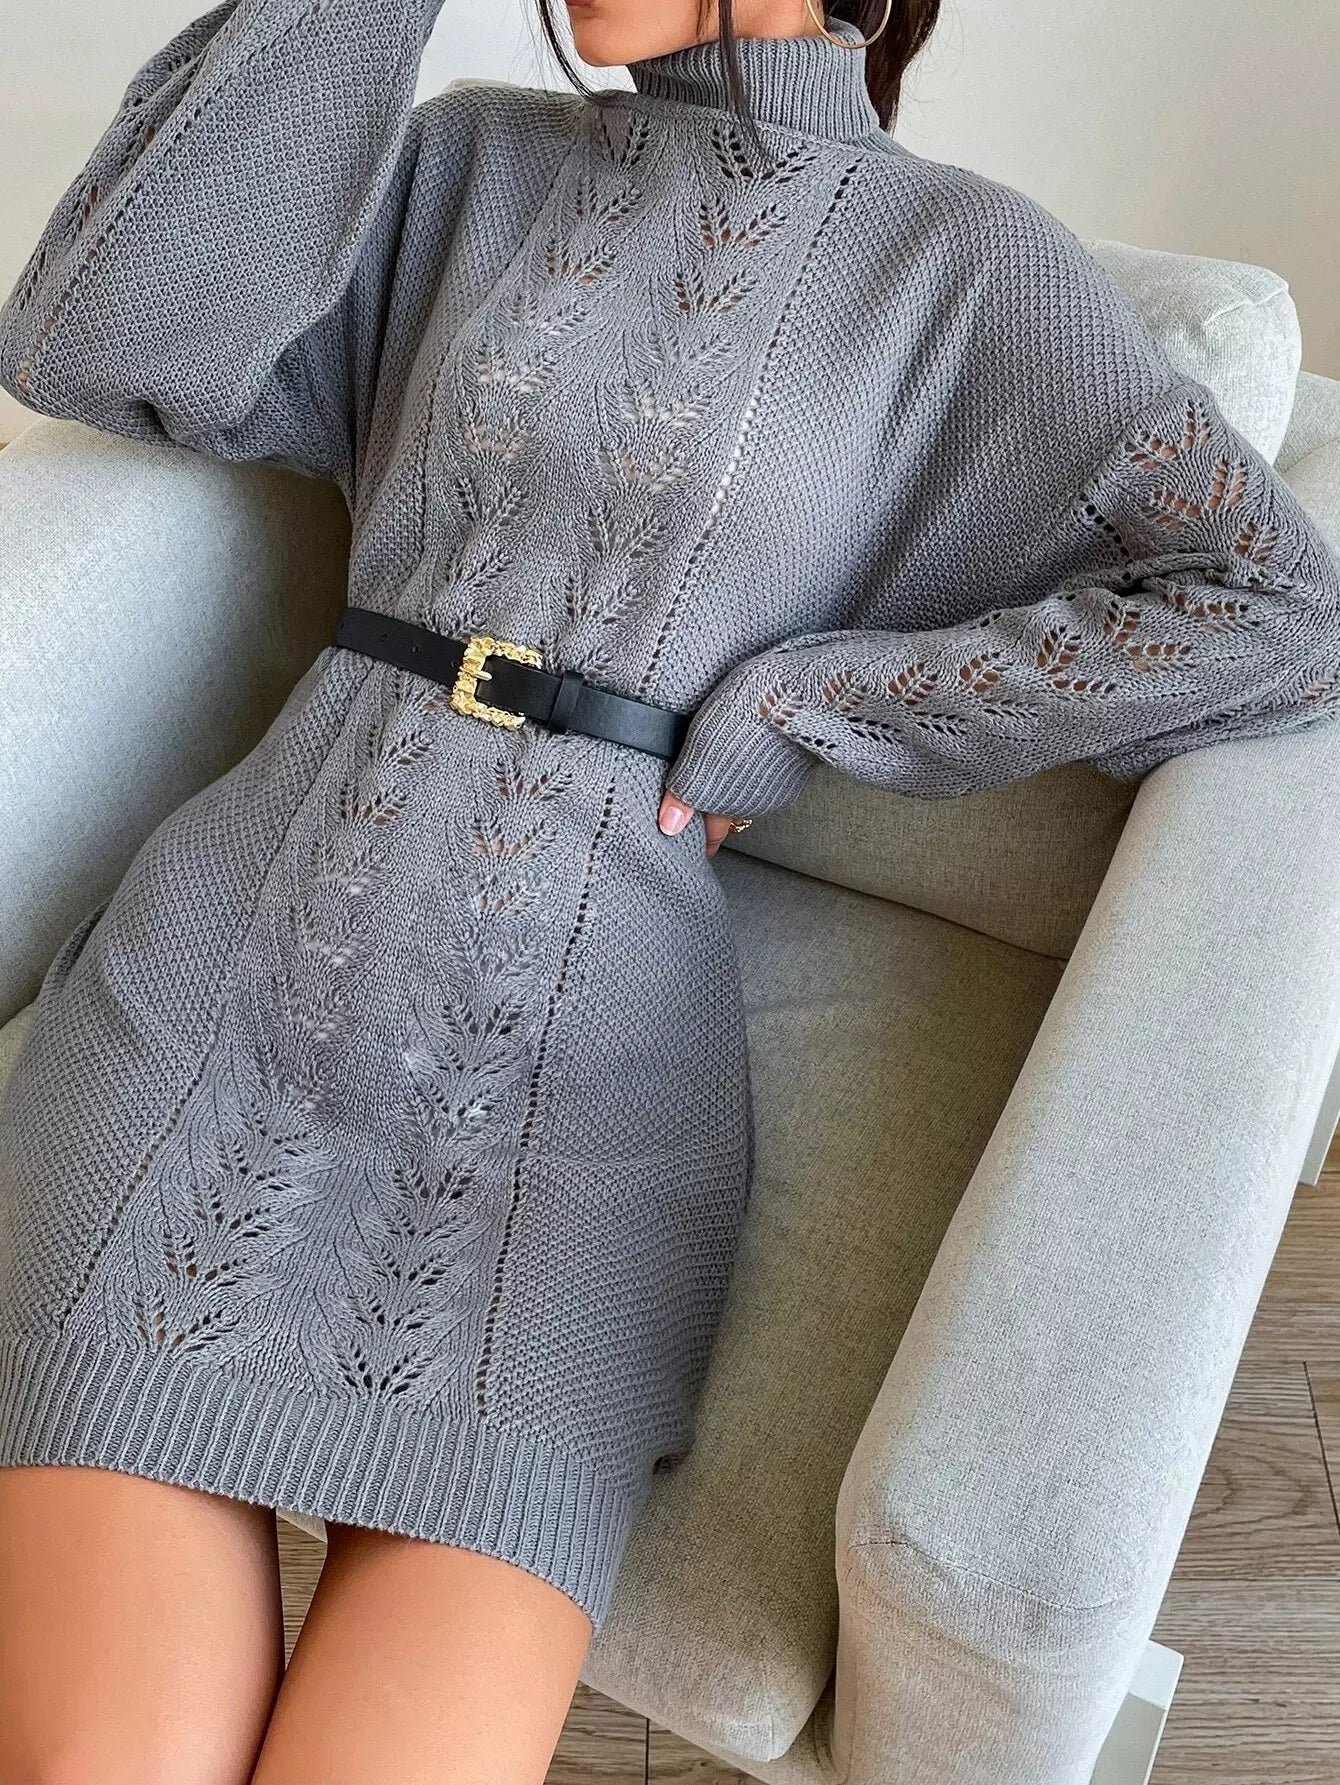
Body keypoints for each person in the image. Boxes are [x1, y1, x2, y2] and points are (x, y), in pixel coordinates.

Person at [1, 1, 1338, 1780]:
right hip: (221, 980)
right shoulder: (468, 158)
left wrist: (816, 708)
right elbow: (97, 342)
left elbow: (1275, 610)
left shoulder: (965, 273)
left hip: (571, 1105)